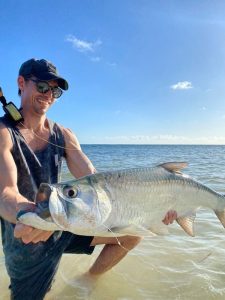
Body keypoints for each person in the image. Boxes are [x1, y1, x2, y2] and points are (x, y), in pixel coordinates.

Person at [0, 58, 177, 299]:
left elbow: (94, 182)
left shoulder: (63, 134)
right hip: (28, 237)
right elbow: (5, 193)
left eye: (55, 90)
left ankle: (87, 280)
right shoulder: (4, 133)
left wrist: (155, 209)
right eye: (42, 86)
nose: (49, 94)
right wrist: (29, 215)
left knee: (132, 234)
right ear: (21, 83)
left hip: (66, 224)